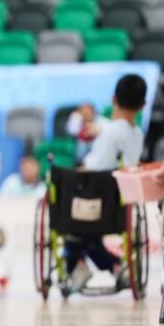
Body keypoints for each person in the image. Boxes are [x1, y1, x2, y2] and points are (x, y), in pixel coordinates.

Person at [67, 74, 147, 292]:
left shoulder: (109, 132)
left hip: (96, 204)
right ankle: (113, 265)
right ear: (142, 105)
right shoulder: (138, 134)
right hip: (122, 206)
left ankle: (77, 265)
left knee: (66, 210)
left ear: (113, 99)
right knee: (90, 236)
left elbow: (95, 171)